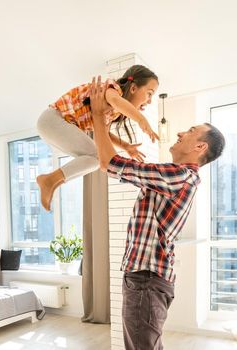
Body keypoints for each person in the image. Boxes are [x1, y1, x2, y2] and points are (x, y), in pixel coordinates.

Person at [89, 76, 225, 349]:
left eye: (190, 130)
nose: (179, 133)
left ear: (200, 147)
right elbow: (114, 161)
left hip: (146, 281)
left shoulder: (178, 176)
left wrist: (98, 116)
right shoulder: (177, 177)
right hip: (145, 280)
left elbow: (108, 163)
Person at [36, 65, 161, 212]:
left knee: (94, 159)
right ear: (133, 88)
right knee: (96, 157)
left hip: (54, 124)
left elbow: (104, 132)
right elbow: (116, 101)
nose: (150, 101)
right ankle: (49, 180)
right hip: (53, 119)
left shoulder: (112, 111)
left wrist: (126, 146)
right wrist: (141, 120)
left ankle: (52, 181)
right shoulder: (111, 90)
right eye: (149, 94)